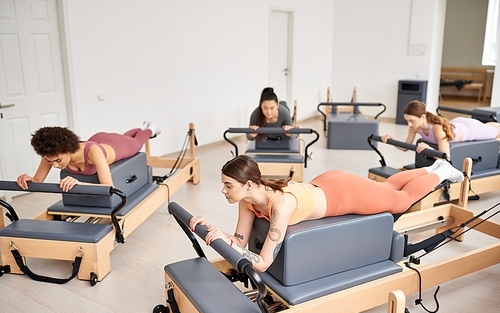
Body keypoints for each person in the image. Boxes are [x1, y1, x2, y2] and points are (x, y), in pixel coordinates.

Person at [189, 155, 464, 272]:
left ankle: (441, 171)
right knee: (389, 187)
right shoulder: (247, 201)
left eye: (228, 185)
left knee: (400, 200)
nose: (223, 191)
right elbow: (238, 241)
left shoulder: (281, 205)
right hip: (323, 182)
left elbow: (262, 263)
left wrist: (223, 241)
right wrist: (215, 231)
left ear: (248, 184)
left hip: (343, 193)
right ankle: (435, 167)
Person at [16, 121, 161, 192]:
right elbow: (37, 181)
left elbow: (108, 187)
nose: (54, 165)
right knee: (125, 137)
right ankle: (140, 128)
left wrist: (79, 184)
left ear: (68, 149)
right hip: (98, 138)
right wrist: (27, 179)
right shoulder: (51, 154)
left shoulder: (93, 152)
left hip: (114, 147)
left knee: (135, 143)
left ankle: (149, 129)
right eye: (50, 161)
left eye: (58, 161)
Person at [382, 100, 500, 158]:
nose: (409, 124)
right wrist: (391, 140)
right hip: (457, 123)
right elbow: (404, 148)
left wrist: (427, 149)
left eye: (411, 120)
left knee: (495, 132)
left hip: (470, 130)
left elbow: (445, 157)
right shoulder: (415, 127)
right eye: (407, 120)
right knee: (490, 126)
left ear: (423, 117)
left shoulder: (437, 129)